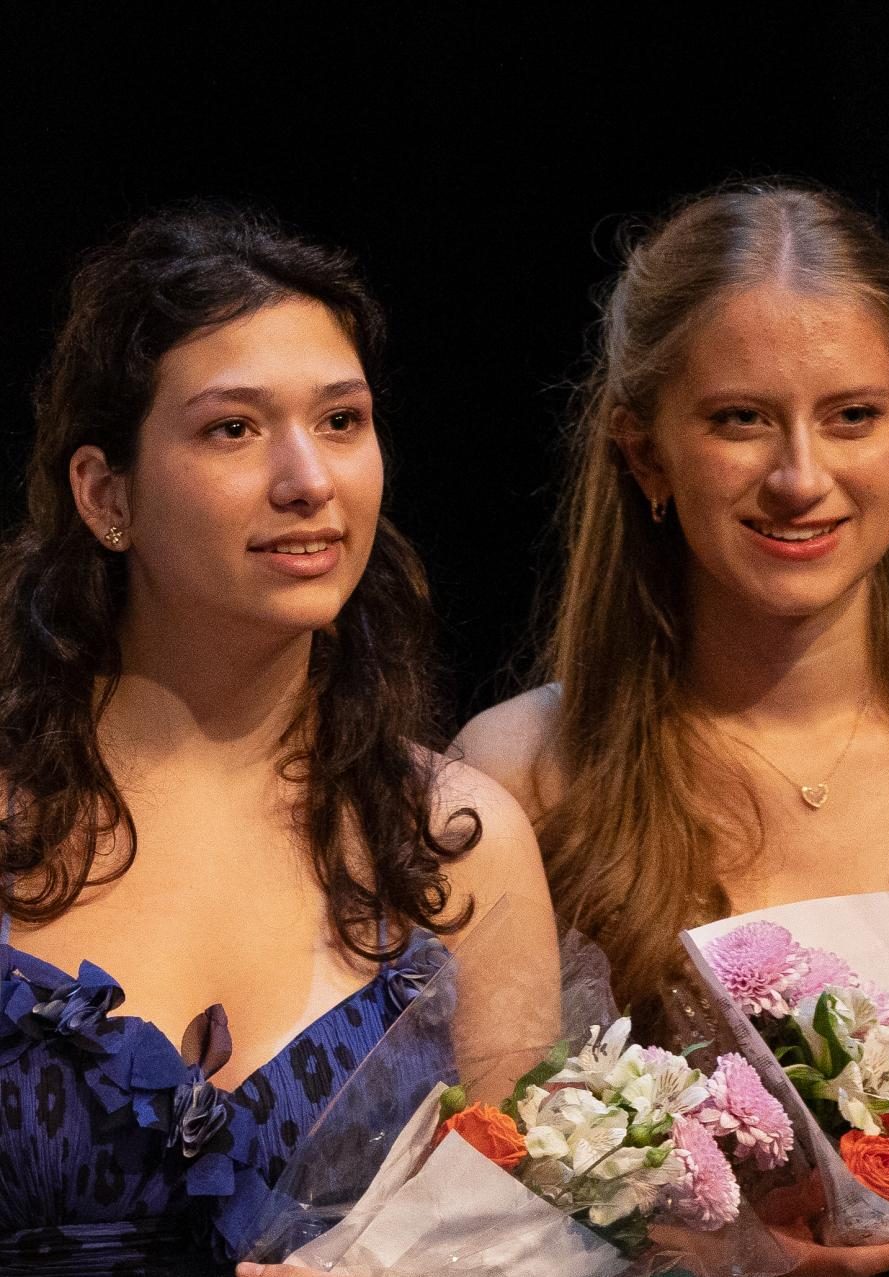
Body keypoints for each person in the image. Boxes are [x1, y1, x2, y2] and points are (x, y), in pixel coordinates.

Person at [458, 184, 889, 1275]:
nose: (798, 475)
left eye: (851, 415)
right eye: (739, 418)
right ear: (643, 453)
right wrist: (729, 1258)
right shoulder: (521, 773)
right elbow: (494, 1203)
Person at [0, 208, 557, 1277]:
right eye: (233, 429)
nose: (309, 479)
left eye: (341, 420)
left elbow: (528, 1235)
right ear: (106, 494)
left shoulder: (453, 837)